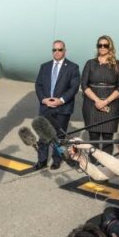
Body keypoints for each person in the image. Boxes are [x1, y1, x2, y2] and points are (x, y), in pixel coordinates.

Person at [34, 40, 80, 171]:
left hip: (62, 108)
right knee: (43, 136)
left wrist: (61, 100)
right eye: (55, 50)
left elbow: (74, 87)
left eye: (60, 49)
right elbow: (38, 85)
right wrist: (44, 100)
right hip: (45, 107)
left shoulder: (72, 67)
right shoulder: (45, 66)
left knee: (59, 137)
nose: (57, 52)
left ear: (65, 51)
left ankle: (57, 160)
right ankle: (42, 161)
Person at [80, 36, 119, 150]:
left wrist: (105, 101)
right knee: (93, 137)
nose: (102, 47)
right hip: (91, 103)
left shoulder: (118, 64)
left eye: (105, 45)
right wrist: (97, 100)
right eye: (99, 45)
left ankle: (106, 165)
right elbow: (84, 85)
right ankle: (94, 163)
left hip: (111, 103)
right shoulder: (90, 63)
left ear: (110, 47)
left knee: (107, 137)